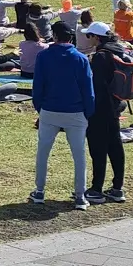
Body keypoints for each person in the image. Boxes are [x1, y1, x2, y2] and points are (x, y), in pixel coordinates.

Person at [30, 22, 94, 211]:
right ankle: (80, 196)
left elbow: (37, 86)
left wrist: (40, 109)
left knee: (43, 151)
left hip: (50, 110)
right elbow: (88, 91)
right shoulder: (81, 59)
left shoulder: (44, 56)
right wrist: (87, 113)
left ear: (55, 37)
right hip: (75, 112)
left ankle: (40, 190)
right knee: (79, 154)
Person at [84, 23, 129, 204]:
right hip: (116, 106)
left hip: (100, 109)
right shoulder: (119, 51)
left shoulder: (101, 57)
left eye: (90, 36)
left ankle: (96, 189)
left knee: (98, 149)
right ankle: (117, 187)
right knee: (115, 147)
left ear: (97, 37)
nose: (89, 39)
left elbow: (96, 86)